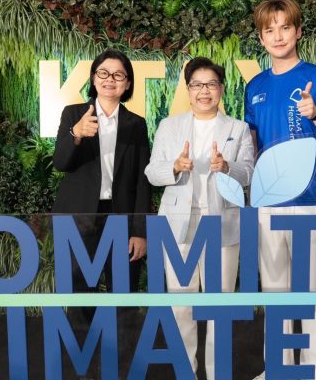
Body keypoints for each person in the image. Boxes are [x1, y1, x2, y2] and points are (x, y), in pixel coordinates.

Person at [244, 0, 316, 380]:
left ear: (298, 31)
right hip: (268, 204)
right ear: (261, 38)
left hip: (309, 202)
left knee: (315, 294)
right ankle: (280, 369)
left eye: (285, 27)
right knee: (276, 294)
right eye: (269, 30)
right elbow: (252, 148)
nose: (278, 36)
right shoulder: (254, 87)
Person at [145, 57, 255, 378]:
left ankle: (218, 373)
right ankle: (187, 372)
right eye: (197, 84)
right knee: (181, 305)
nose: (204, 91)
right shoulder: (169, 126)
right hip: (178, 225)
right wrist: (175, 167)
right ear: (188, 89)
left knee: (221, 306)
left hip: (222, 224)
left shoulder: (237, 128)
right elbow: (152, 172)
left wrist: (227, 167)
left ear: (221, 89)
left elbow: (249, 172)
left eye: (211, 84)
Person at [52, 49, 151, 374]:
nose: (110, 80)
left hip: (121, 219)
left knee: (124, 294)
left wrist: (139, 231)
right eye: (103, 73)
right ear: (94, 79)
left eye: (118, 75)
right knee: (81, 295)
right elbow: (61, 163)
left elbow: (141, 182)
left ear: (128, 84)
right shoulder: (74, 113)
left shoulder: (136, 124)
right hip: (80, 218)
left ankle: (121, 365)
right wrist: (76, 134)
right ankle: (84, 366)